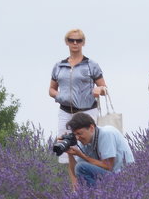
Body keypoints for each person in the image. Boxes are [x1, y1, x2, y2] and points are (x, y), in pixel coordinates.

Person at [49, 29, 106, 163]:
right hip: (65, 112)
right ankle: (75, 184)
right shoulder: (59, 66)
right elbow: (51, 89)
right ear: (66, 42)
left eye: (78, 40)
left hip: (87, 111)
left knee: (89, 147)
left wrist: (99, 89)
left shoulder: (91, 65)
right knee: (67, 149)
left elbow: (104, 87)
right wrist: (60, 96)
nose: (75, 43)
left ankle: (92, 180)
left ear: (83, 43)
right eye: (71, 40)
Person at [62, 112, 134, 189]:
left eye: (79, 133)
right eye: (75, 134)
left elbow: (108, 166)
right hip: (110, 177)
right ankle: (97, 197)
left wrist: (82, 155)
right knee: (80, 168)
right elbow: (76, 172)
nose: (78, 137)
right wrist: (69, 152)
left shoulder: (106, 134)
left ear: (91, 128)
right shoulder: (84, 142)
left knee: (81, 167)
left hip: (124, 177)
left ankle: (97, 196)